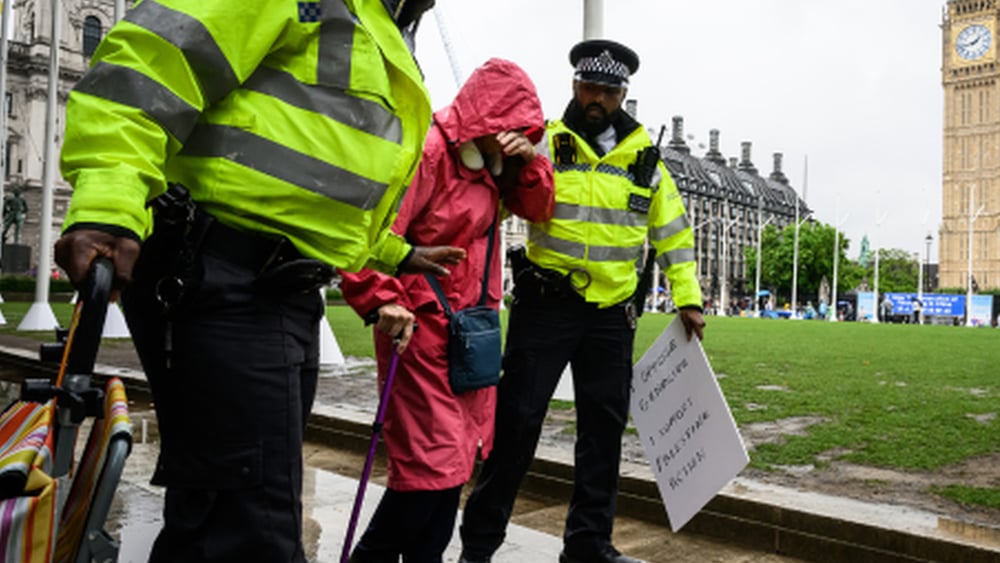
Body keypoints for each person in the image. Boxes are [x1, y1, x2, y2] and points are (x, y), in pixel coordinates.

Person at [53, 2, 462, 562]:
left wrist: (397, 252)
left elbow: (306, 176)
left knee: (217, 517)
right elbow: (150, 62)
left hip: (265, 287)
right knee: (251, 534)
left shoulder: (376, 19)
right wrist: (108, 199)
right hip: (224, 279)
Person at [458, 39, 705, 563]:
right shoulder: (543, 141)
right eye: (590, 87)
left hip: (612, 316)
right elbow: (494, 204)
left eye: (609, 91)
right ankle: (479, 546)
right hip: (546, 306)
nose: (598, 99)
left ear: (623, 95)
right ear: (575, 85)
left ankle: (589, 544)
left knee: (603, 434)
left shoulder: (646, 161)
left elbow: (675, 235)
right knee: (516, 427)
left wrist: (689, 299)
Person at [339, 58, 554, 563]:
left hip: (466, 340)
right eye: (509, 126)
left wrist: (528, 161)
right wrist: (381, 296)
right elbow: (371, 229)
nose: (511, 137)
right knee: (428, 478)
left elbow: (541, 206)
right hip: (418, 333)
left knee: (448, 475)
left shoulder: (490, 168)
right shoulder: (432, 151)